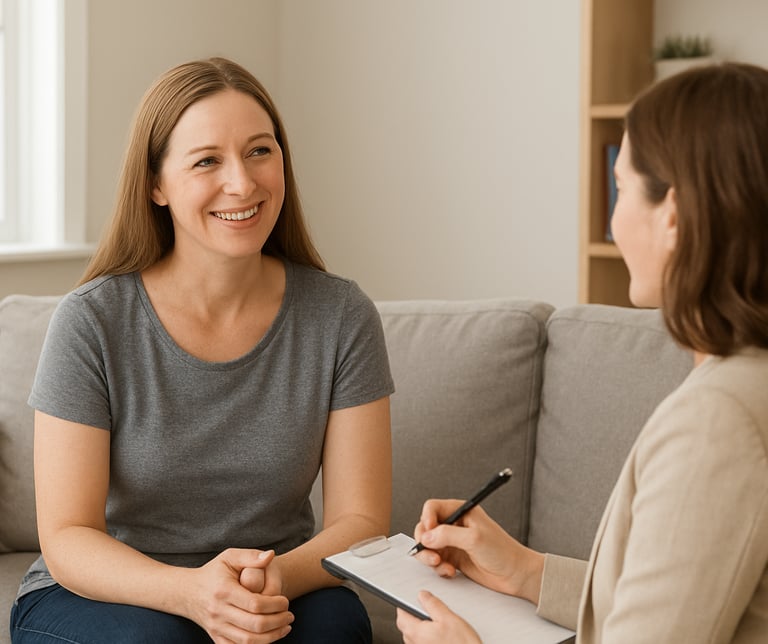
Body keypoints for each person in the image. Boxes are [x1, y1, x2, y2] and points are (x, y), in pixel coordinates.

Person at [10, 57, 394, 644]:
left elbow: (361, 522)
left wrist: (268, 582)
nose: (242, 183)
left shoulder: (341, 316)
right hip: (109, 592)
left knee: (336, 628)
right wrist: (192, 594)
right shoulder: (91, 322)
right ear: (156, 184)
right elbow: (66, 536)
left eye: (260, 151)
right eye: (207, 161)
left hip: (273, 580)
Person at [397, 62, 768, 643]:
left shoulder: (719, 421)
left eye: (620, 189)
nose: (612, 220)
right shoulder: (744, 384)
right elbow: (678, 598)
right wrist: (524, 570)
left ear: (673, 218)